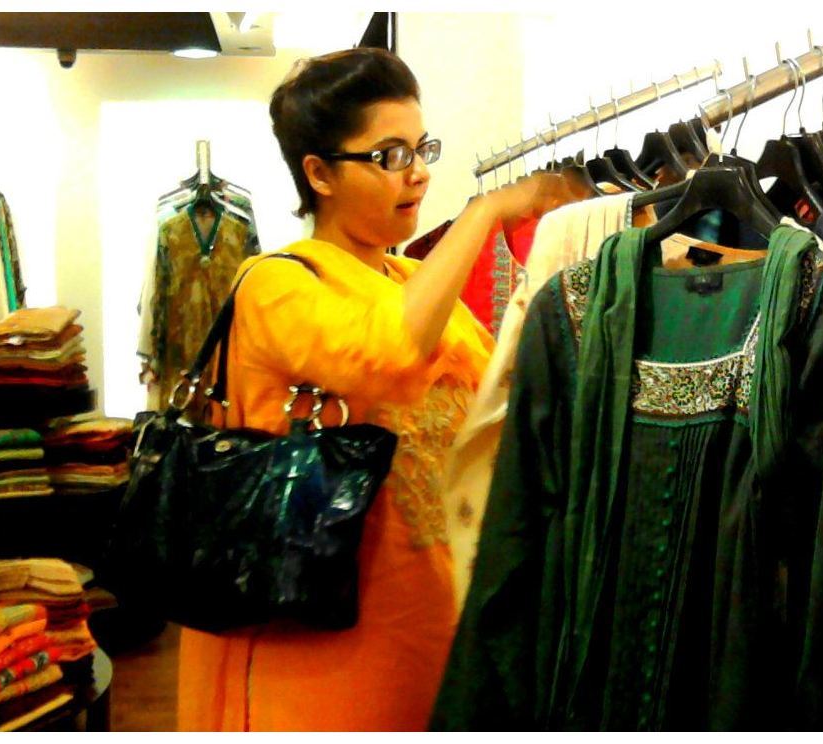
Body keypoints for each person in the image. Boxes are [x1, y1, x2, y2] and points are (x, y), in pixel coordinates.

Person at [176, 47, 576, 731]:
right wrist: (483, 213)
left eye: (421, 149)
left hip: (432, 625)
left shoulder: (409, 281)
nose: (418, 172)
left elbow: (497, 399)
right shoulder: (277, 283)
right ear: (319, 173)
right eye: (390, 155)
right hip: (317, 649)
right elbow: (386, 352)